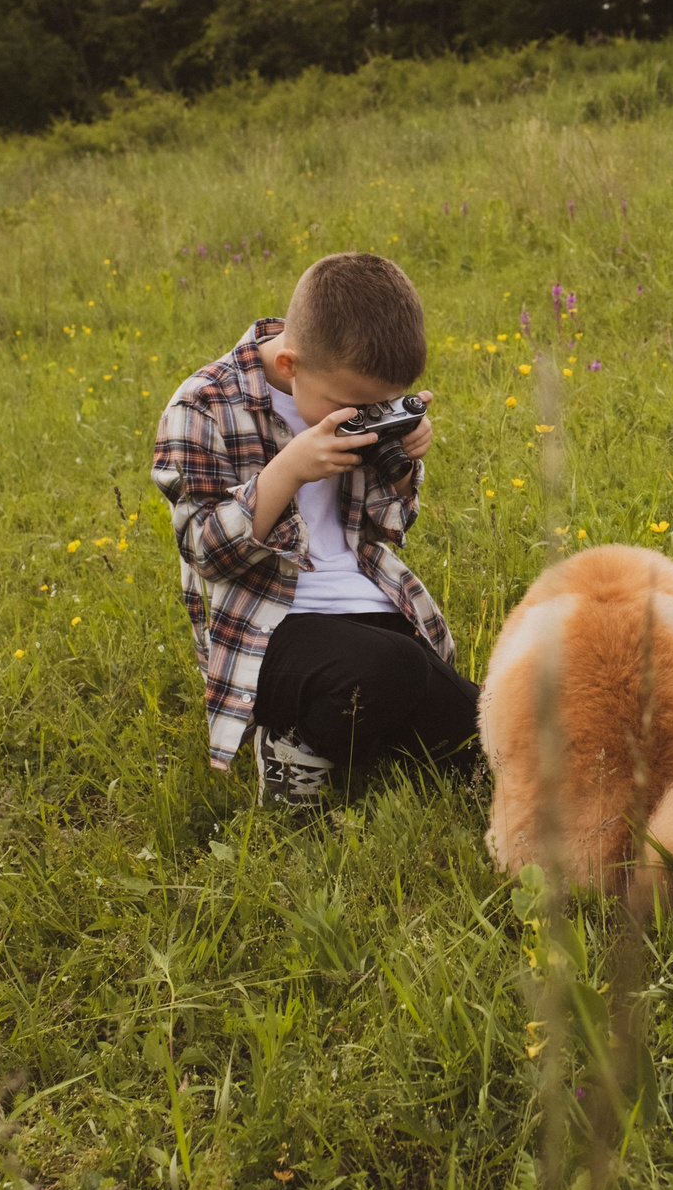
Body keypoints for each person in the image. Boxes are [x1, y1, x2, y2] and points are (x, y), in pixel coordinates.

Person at [151, 251, 478, 804]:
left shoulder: (345, 386)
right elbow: (204, 551)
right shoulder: (203, 406)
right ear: (290, 367)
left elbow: (389, 526)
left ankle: (372, 731)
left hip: (367, 610)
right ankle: (288, 742)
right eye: (354, 405)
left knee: (484, 733)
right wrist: (289, 469)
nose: (363, 415)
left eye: (381, 405)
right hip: (265, 625)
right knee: (391, 667)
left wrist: (403, 466)